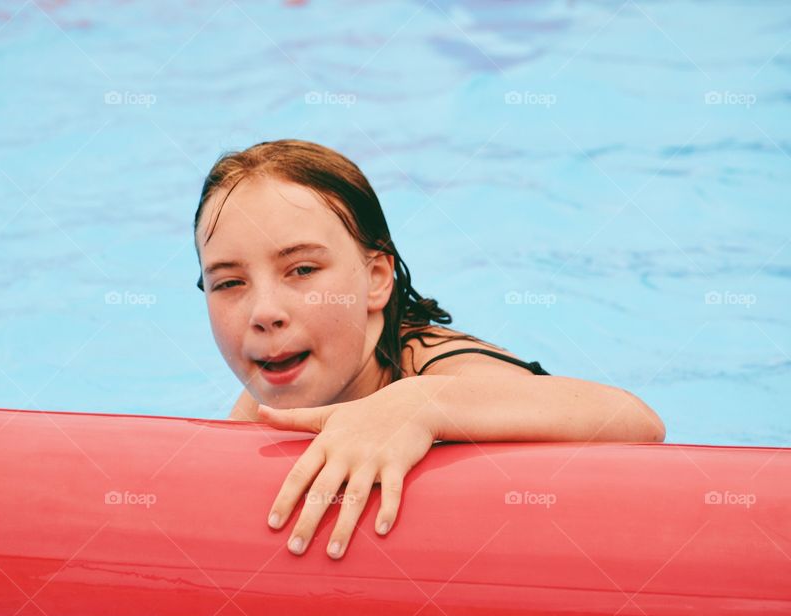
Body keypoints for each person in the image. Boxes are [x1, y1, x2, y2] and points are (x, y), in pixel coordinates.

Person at [192, 139, 665, 560]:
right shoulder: (276, 376)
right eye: (230, 282)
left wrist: (423, 403)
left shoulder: (436, 366)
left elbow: (636, 420)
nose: (264, 311)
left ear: (376, 279)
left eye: (302, 270)